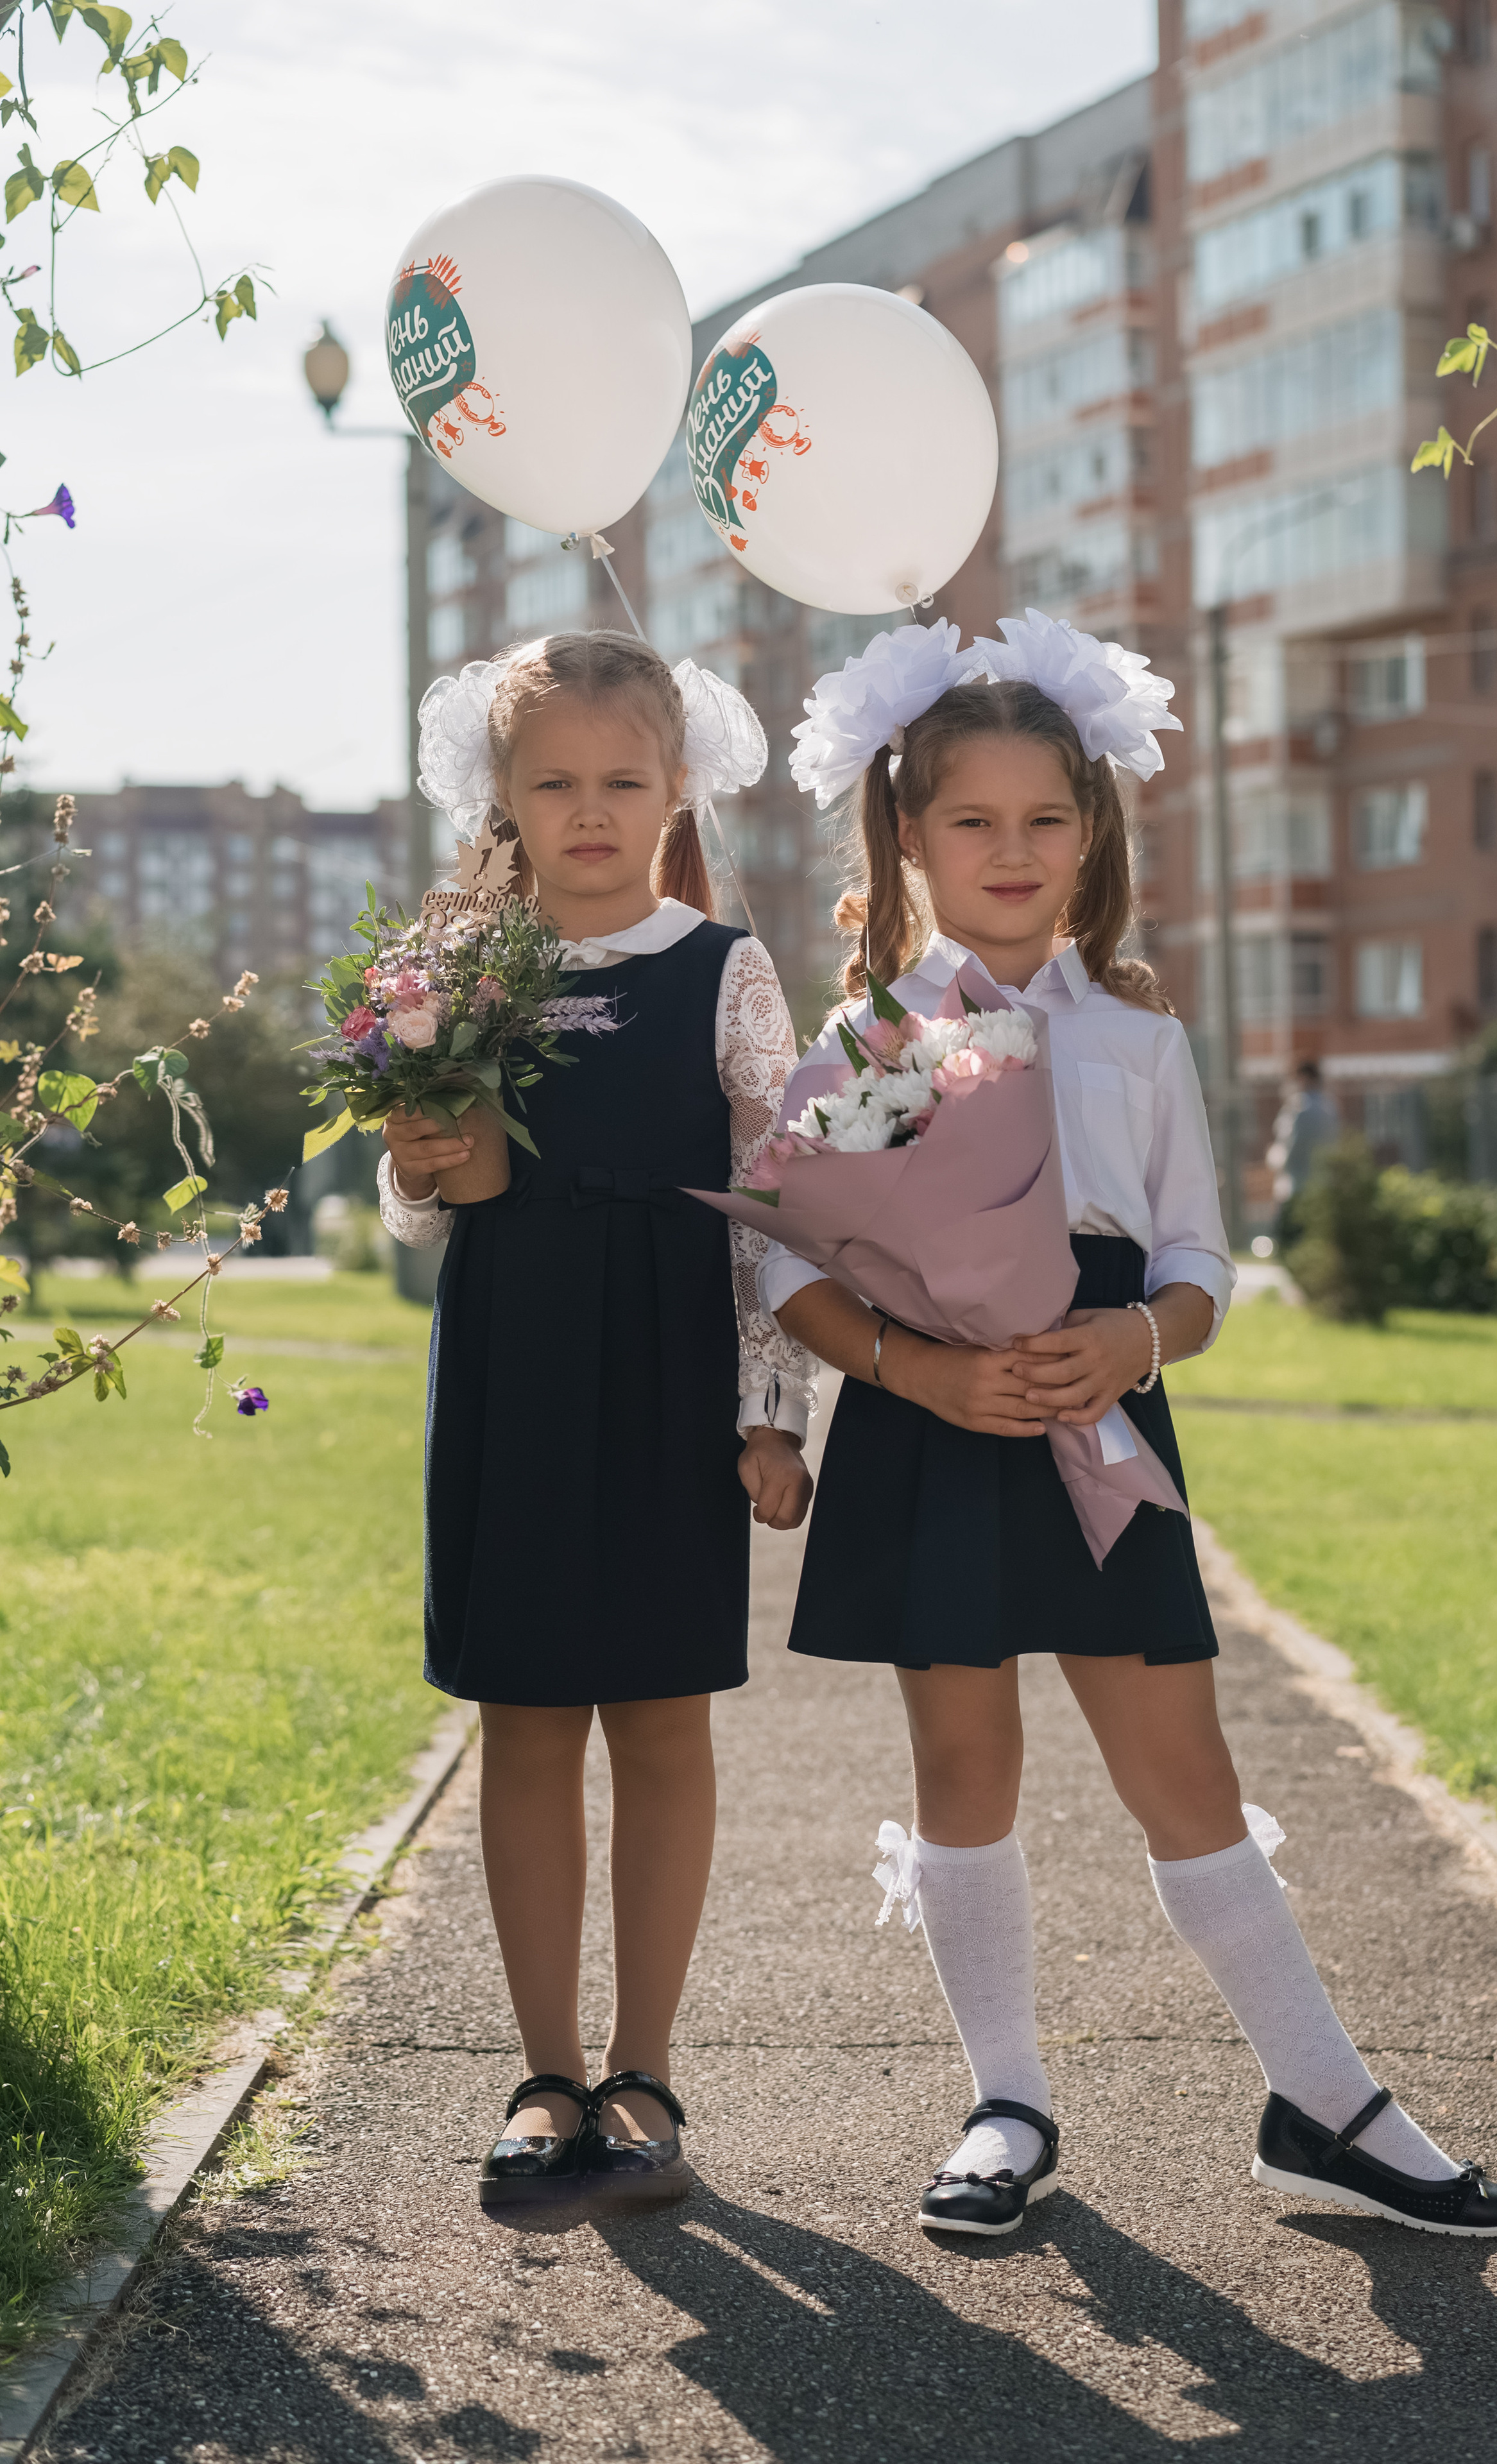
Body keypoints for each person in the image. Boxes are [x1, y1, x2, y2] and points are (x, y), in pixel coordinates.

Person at [763, 615, 1497, 2243]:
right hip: (933, 1417)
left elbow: (1196, 1257)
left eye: (1046, 819)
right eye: (971, 820)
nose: (1011, 851)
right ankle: (1005, 2100)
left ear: (1090, 832)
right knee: (962, 1764)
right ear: (907, 835)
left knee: (1181, 1761)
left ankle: (1323, 2102)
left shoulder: (1138, 1037)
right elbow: (782, 1263)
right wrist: (916, 1372)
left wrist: (1134, 1337)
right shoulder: (869, 1044)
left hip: (1101, 1418)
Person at [379, 629, 816, 2209]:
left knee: (660, 1718)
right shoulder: (453, 971)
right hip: (509, 1362)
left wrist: (774, 1408)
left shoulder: (726, 967)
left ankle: (642, 2068)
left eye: (619, 779)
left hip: (670, 1375)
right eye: (551, 780)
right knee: (524, 1720)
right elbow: (417, 1212)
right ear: (499, 790)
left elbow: (771, 1206)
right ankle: (543, 2068)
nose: (586, 807)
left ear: (673, 785)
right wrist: (416, 1166)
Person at [1267, 1058, 1339, 1248]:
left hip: (1296, 1183)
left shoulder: (1300, 1107)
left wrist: (1276, 1161)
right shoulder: (1329, 1106)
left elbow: (1291, 1147)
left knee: (1294, 1238)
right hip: (1322, 1182)